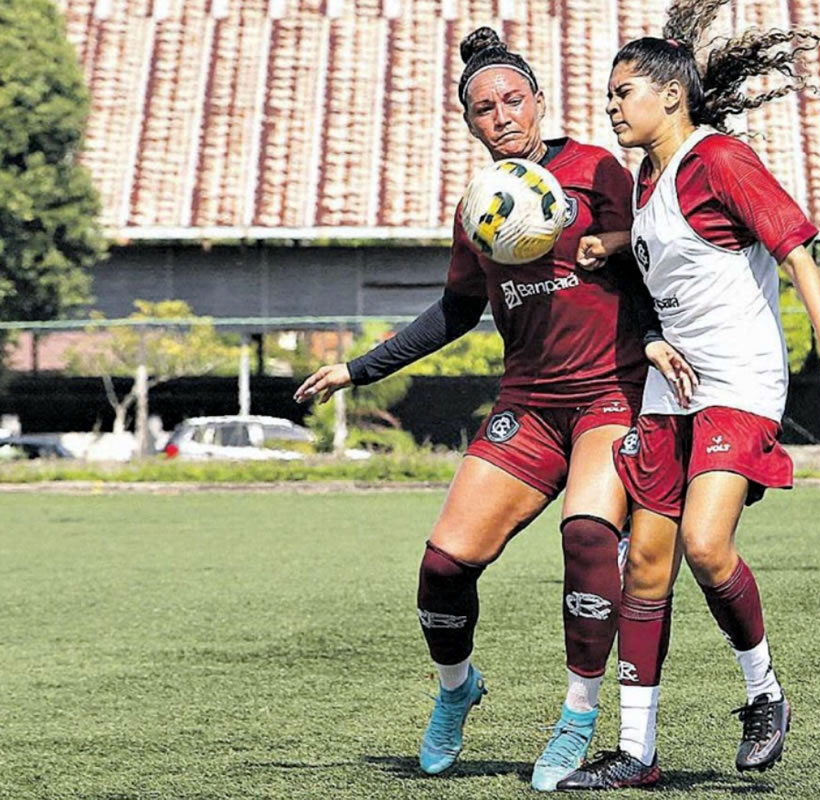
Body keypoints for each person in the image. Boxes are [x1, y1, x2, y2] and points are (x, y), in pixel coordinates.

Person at [295, 27, 657, 791]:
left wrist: (617, 250)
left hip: (608, 394)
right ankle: (458, 687)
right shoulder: (478, 208)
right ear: (469, 123)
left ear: (538, 101)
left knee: (589, 535)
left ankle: (576, 717)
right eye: (485, 108)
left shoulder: (596, 169)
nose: (502, 116)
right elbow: (457, 310)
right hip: (527, 404)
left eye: (513, 100)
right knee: (442, 565)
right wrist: (357, 368)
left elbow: (658, 251)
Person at [558, 5, 820, 789]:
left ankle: (765, 693)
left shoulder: (721, 160)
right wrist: (618, 263)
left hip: (738, 379)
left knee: (705, 544)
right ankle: (636, 754)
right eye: (608, 95)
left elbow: (797, 250)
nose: (612, 107)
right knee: (646, 565)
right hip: (673, 386)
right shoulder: (646, 177)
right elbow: (671, 270)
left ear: (671, 96)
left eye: (624, 92)